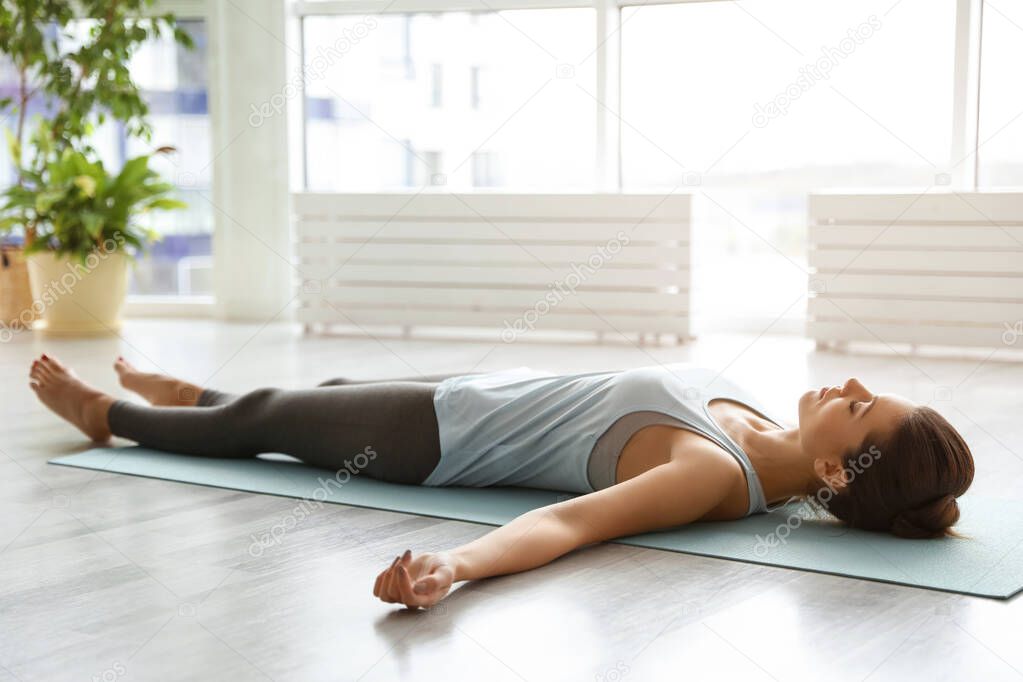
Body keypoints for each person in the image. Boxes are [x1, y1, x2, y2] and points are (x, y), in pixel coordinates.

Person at [29, 353, 974, 610]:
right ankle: (200, 392)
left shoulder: (707, 473)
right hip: (472, 389)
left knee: (271, 425)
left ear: (827, 468)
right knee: (303, 396)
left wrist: (455, 567)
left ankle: (110, 419)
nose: (846, 386)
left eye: (857, 408)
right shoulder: (764, 425)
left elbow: (566, 524)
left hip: (437, 437)